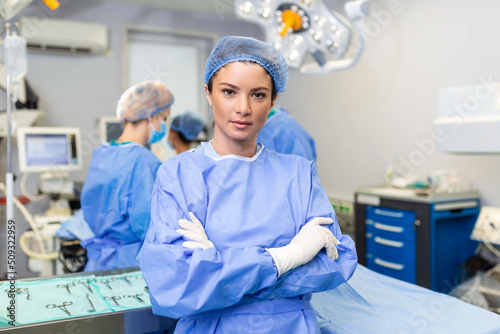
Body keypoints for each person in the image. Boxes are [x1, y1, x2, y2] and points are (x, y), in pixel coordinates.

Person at [137, 36, 357, 333]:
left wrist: (217, 267)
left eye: (258, 95)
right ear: (208, 93)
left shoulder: (298, 173)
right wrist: (287, 257)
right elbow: (174, 285)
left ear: (272, 100)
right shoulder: (178, 174)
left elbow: (336, 263)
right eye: (229, 92)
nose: (243, 108)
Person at [80, 80, 174, 271]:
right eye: (164, 119)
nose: (164, 126)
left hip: (98, 263)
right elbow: (150, 226)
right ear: (151, 116)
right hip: (130, 265)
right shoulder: (142, 161)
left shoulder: (102, 153)